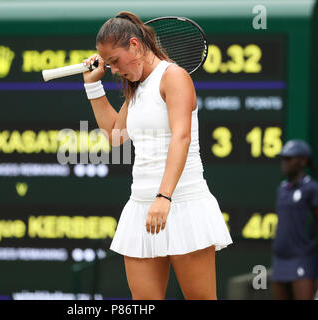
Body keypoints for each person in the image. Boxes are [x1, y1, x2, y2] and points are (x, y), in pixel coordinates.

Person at [82, 11, 232, 300]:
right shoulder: (136, 88)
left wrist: (164, 197)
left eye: (114, 61)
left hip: (182, 205)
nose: (112, 69)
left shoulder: (173, 76)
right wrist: (92, 85)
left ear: (136, 46)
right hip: (140, 207)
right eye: (108, 63)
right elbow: (116, 136)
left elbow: (182, 136)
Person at [271, 139, 318, 300]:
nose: (284, 163)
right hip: (280, 259)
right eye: (283, 158)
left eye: (289, 158)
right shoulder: (281, 189)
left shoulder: (313, 188)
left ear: (303, 161)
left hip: (303, 258)